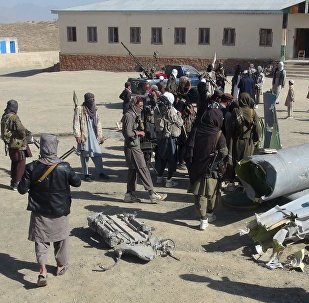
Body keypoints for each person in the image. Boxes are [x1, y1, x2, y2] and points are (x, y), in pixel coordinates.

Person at [17, 133, 81, 287]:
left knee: (41, 241)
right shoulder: (64, 167)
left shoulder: (31, 167)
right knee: (61, 239)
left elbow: (21, 189)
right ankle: (61, 266)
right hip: (60, 211)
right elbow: (77, 182)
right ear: (55, 147)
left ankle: (43, 270)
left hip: (40, 212)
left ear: (43, 147)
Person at [187, 108, 228, 230]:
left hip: (197, 169)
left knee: (200, 195)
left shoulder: (196, 130)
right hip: (212, 171)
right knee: (212, 193)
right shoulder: (219, 134)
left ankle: (203, 219)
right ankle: (209, 214)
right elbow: (224, 152)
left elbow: (188, 150)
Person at [122, 95, 167, 203]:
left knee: (132, 171)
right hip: (132, 147)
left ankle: (129, 194)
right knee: (143, 168)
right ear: (134, 105)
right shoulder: (129, 115)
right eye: (140, 106)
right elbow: (128, 133)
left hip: (132, 146)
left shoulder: (133, 114)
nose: (141, 108)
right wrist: (139, 132)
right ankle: (152, 194)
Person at [73, 92, 109, 181]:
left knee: (97, 154)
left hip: (94, 135)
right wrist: (77, 135)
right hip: (84, 136)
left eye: (93, 99)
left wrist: (100, 136)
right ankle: (86, 174)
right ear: (86, 100)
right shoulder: (80, 109)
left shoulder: (95, 109)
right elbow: (76, 122)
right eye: (90, 100)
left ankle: (101, 172)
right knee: (84, 155)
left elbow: (98, 123)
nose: (92, 101)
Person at [229, 92, 261, 180]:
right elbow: (257, 128)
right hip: (248, 141)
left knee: (237, 160)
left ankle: (237, 177)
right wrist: (256, 139)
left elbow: (231, 126)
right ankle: (245, 180)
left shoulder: (236, 111)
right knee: (246, 161)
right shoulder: (253, 112)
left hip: (237, 140)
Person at [1, 99, 31, 190]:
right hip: (18, 144)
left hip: (10, 143)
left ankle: (13, 182)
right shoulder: (14, 117)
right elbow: (20, 130)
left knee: (14, 162)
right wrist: (26, 134)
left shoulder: (4, 116)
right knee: (20, 163)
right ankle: (17, 183)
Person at [154, 95, 183, 187]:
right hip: (170, 138)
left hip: (160, 137)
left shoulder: (157, 109)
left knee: (161, 158)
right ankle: (169, 181)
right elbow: (180, 122)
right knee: (171, 159)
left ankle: (159, 177)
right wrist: (179, 116)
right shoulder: (171, 110)